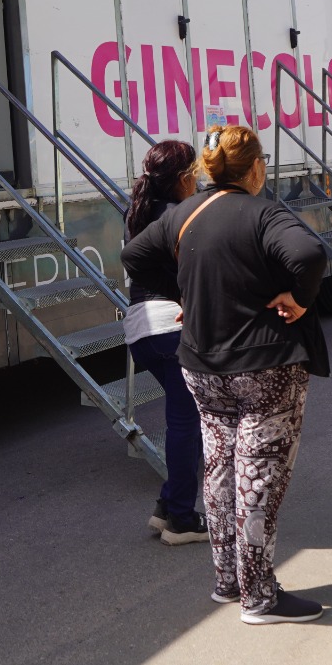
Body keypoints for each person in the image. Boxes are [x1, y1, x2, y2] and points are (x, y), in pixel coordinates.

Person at [121, 125, 329, 625]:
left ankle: (228, 581)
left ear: (210, 171)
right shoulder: (265, 212)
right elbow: (309, 255)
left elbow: (133, 256)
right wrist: (298, 299)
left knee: (219, 470)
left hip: (202, 366)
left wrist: (187, 296)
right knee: (257, 477)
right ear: (255, 167)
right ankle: (260, 598)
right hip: (265, 366)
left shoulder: (185, 214)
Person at [123, 139, 207, 544]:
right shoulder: (180, 214)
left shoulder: (140, 210)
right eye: (195, 173)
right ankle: (181, 521)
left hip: (141, 330)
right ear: (182, 178)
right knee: (188, 423)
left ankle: (166, 508)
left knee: (186, 420)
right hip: (170, 324)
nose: (199, 179)